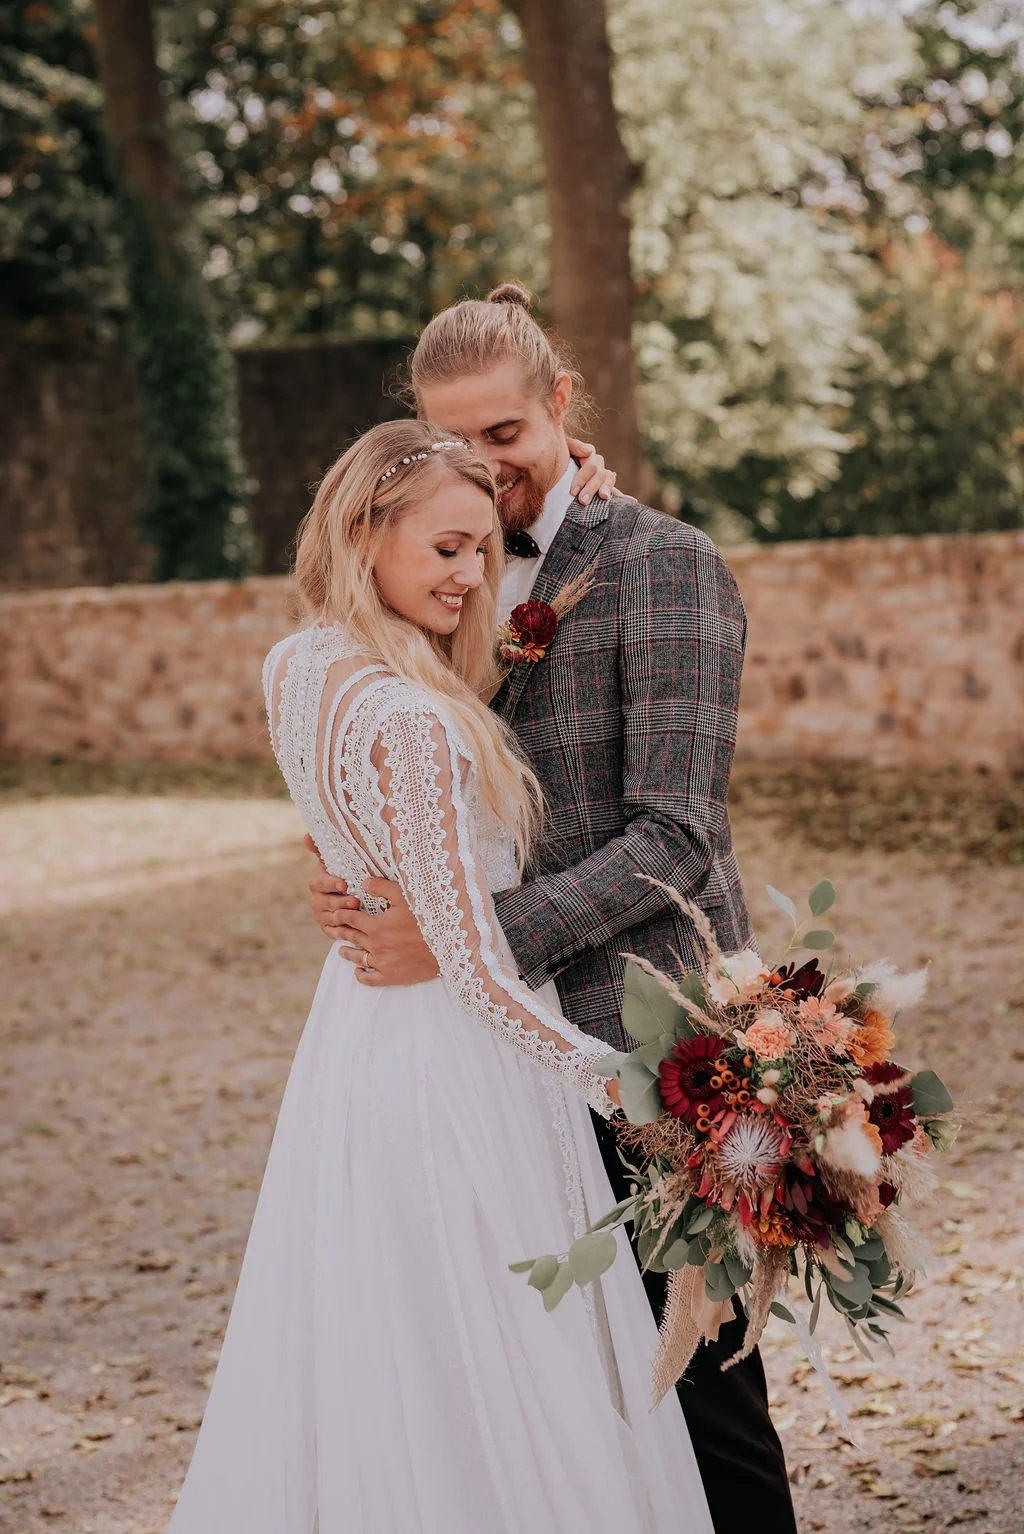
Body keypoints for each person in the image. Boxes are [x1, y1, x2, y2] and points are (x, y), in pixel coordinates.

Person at [308, 283, 798, 1534]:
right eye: (449, 441)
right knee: (553, 1405)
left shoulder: (664, 564)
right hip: (488, 1071)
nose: (480, 466)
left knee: (695, 1389)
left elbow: (679, 835)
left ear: (562, 408)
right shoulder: (438, 565)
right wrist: (366, 873)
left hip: (643, 1045)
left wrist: (472, 940)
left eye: (506, 435)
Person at [167, 418, 714, 1532]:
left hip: (356, 1046)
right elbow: (474, 969)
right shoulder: (414, 719)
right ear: (366, 532)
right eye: (447, 549)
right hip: (465, 1066)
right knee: (504, 1351)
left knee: (386, 1343)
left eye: (484, 550)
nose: (472, 578)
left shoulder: (297, 665)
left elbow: (344, 862)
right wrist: (626, 1084)